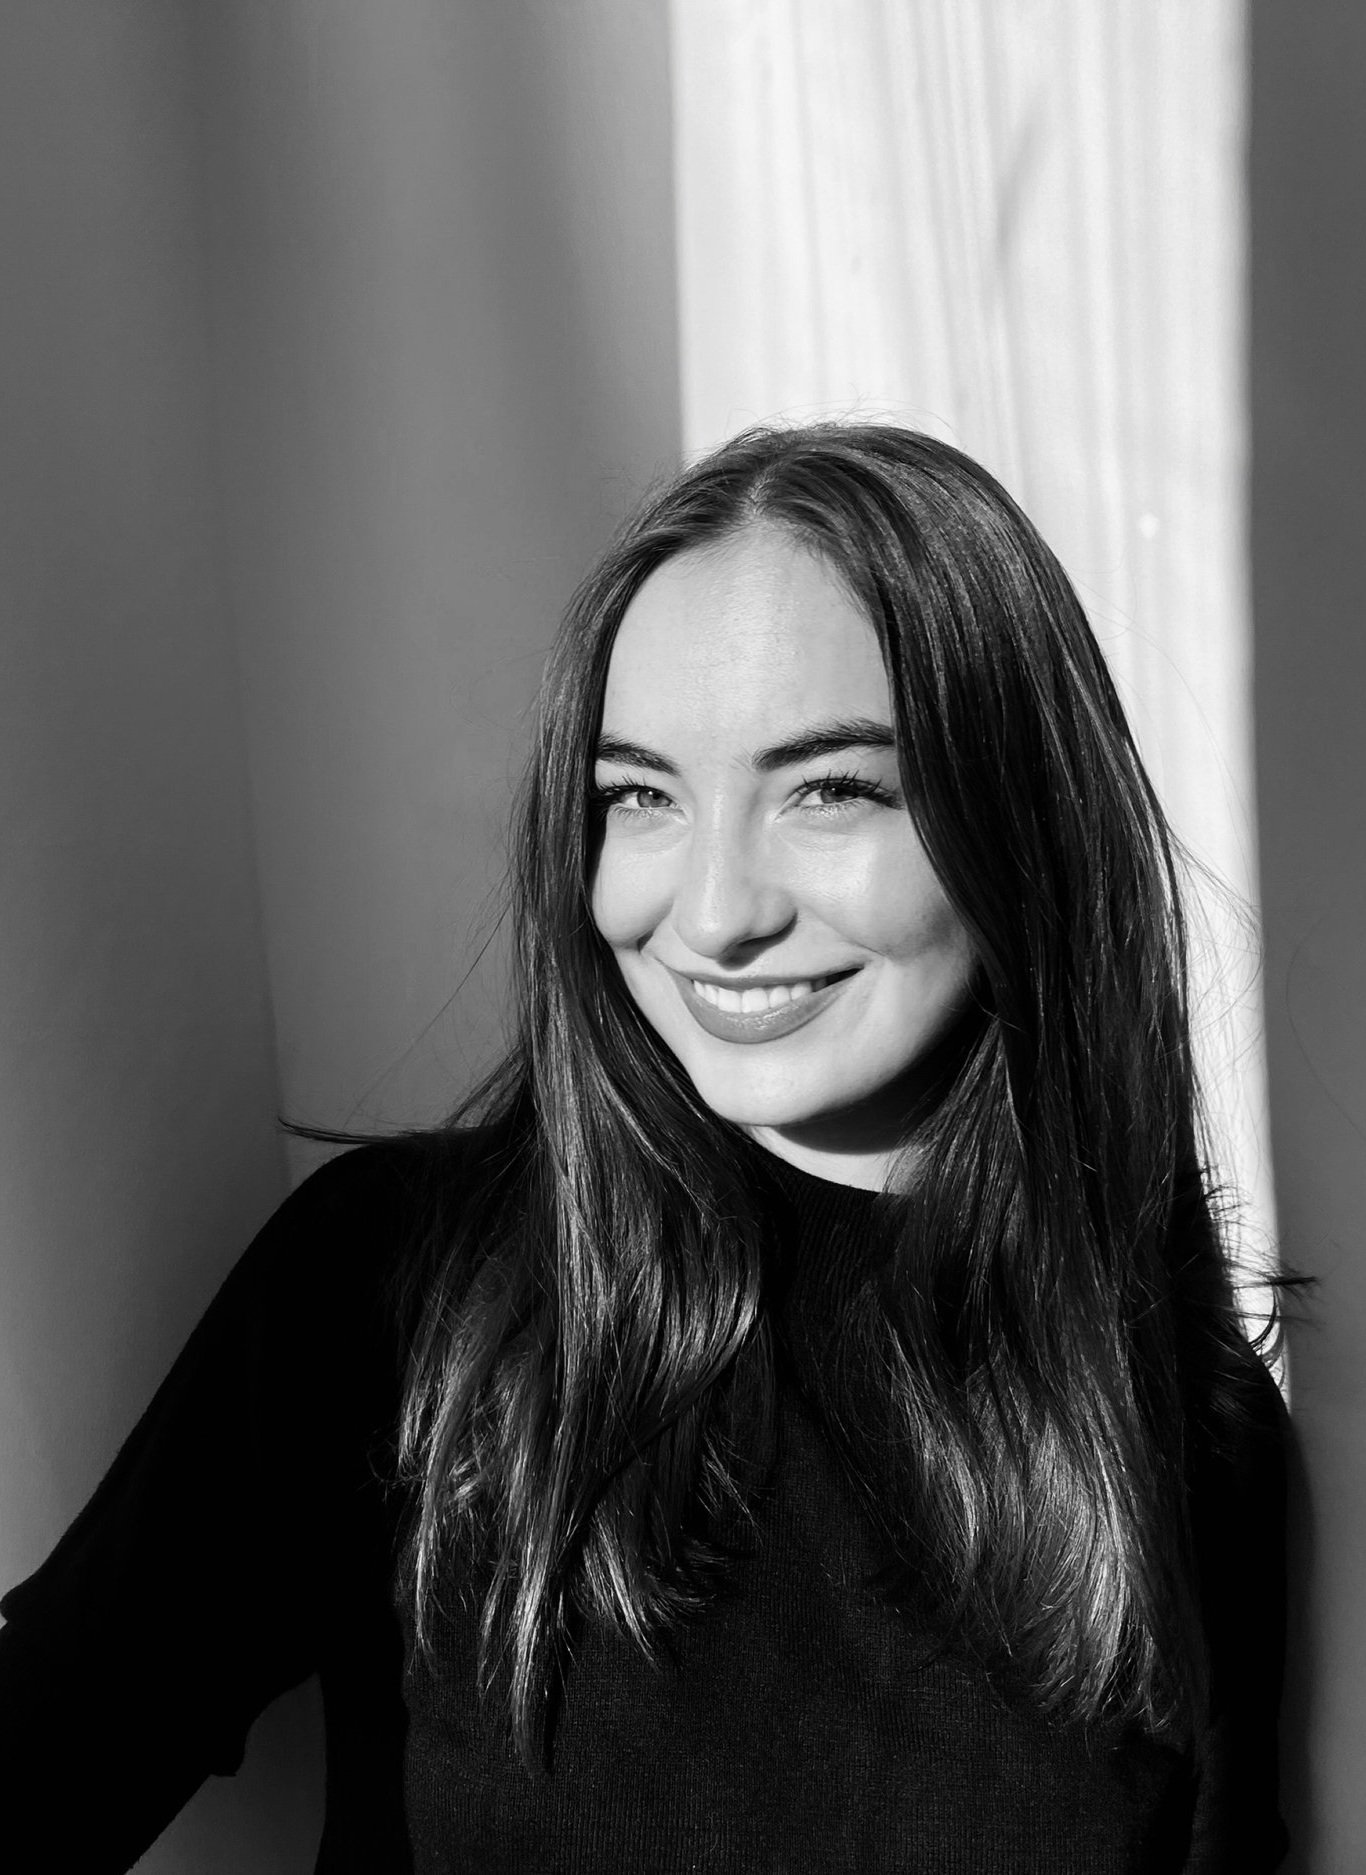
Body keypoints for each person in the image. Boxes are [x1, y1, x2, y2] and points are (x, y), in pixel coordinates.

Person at [0, 424, 1288, 1872]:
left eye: (829, 789)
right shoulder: (397, 1287)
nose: (715, 909)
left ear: (1020, 817)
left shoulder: (1181, 1422)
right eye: (641, 797)